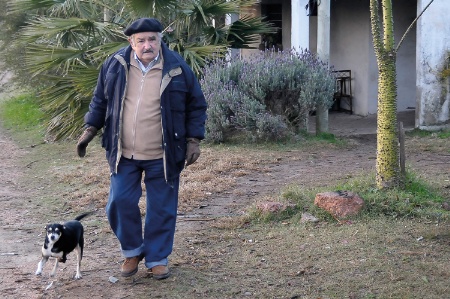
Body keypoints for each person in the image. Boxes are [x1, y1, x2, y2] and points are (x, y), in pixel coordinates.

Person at [76, 18, 207, 280]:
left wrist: (194, 139)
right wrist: (89, 129)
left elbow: (196, 104)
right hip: (123, 153)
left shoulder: (177, 67)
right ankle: (132, 251)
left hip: (164, 153)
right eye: (141, 40)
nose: (148, 45)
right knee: (119, 202)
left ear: (160, 40)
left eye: (152, 39)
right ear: (131, 42)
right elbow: (100, 99)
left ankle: (157, 258)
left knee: (161, 207)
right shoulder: (115, 64)